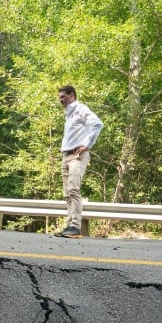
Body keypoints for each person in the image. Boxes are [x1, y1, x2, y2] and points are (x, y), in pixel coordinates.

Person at [54, 85, 103, 238]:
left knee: (73, 189)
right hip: (66, 155)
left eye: (63, 97)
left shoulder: (80, 109)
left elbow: (97, 124)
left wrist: (87, 145)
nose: (60, 100)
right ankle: (69, 225)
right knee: (67, 192)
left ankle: (76, 226)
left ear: (72, 96)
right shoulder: (68, 114)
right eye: (59, 97)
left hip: (77, 155)